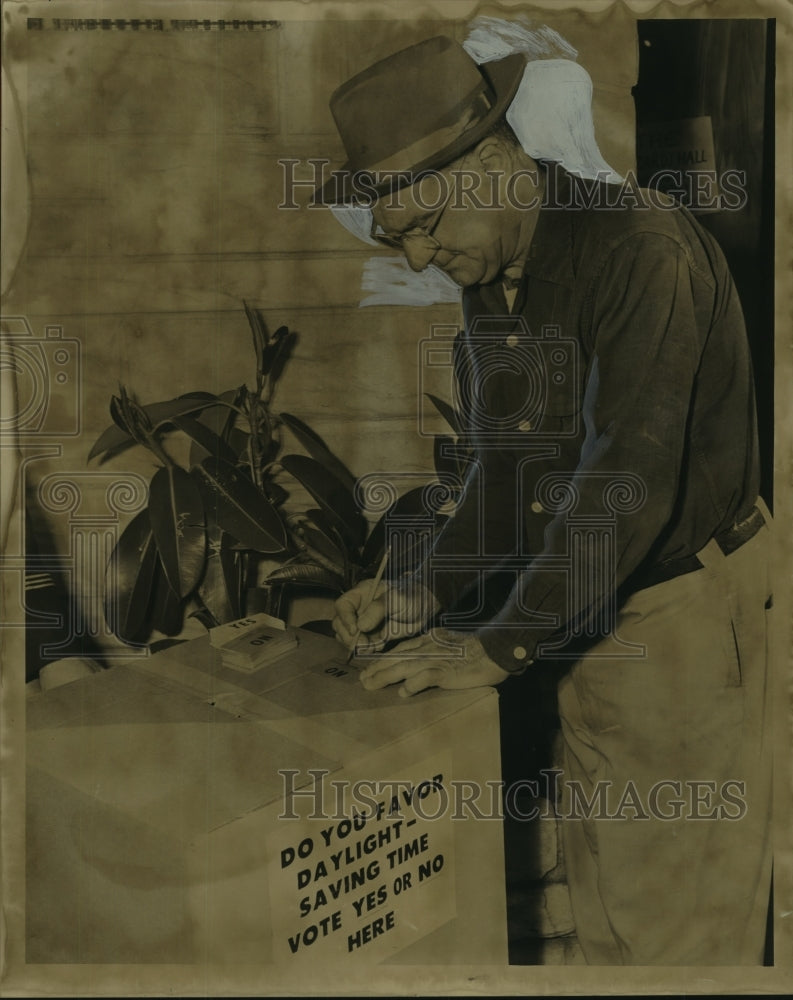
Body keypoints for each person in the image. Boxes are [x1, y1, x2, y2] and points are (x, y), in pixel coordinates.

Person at [318, 34, 773, 965]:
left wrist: (499, 645)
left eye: (422, 225)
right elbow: (510, 469)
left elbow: (624, 480)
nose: (416, 257)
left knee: (678, 932)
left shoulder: (639, 251)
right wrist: (427, 587)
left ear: (492, 164)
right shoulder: (499, 278)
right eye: (396, 237)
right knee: (613, 897)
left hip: (680, 610)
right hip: (590, 610)